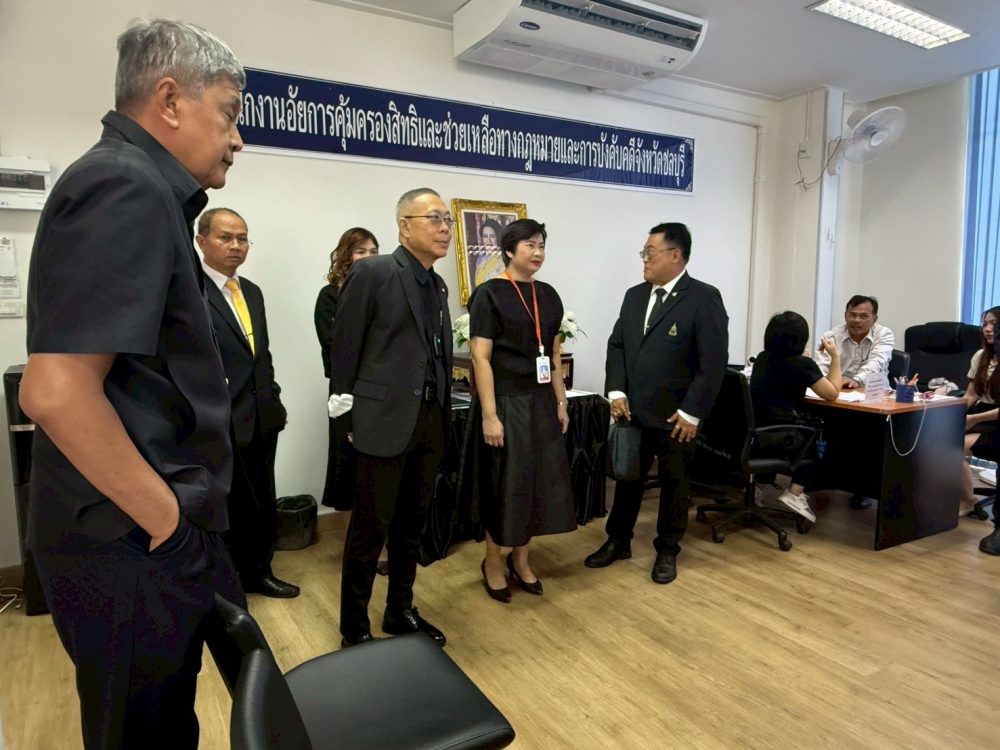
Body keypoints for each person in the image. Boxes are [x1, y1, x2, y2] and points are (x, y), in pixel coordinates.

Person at [19, 19, 245, 749]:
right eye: (229, 115)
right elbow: (54, 390)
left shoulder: (142, 188)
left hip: (141, 530)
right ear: (170, 101)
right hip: (128, 538)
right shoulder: (123, 183)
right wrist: (166, 520)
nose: (237, 139)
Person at [328, 188, 452, 648]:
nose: (444, 228)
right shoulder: (374, 272)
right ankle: (355, 629)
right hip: (381, 420)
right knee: (369, 530)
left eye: (448, 220)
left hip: (428, 421)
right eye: (434, 218)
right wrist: (346, 419)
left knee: (411, 527)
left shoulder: (436, 285)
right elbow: (345, 348)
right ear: (404, 225)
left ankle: (400, 610)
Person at [584, 222, 728, 584]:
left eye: (650, 252)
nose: (644, 259)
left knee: (674, 483)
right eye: (644, 252)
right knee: (628, 478)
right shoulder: (634, 296)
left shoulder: (703, 298)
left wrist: (692, 412)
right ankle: (618, 541)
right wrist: (616, 391)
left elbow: (713, 364)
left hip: (677, 416)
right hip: (633, 410)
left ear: (675, 255)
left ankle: (667, 549)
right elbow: (617, 345)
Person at [466, 219, 576, 603]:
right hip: (506, 403)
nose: (538, 252)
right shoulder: (489, 294)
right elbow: (480, 358)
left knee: (536, 484)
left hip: (541, 403)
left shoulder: (548, 295)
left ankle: (522, 559)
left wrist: (561, 402)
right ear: (510, 250)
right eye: (530, 244)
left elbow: (555, 355)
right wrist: (489, 415)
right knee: (504, 485)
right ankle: (493, 562)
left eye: (541, 245)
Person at [196, 207, 297, 598]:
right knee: (226, 504)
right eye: (225, 237)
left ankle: (259, 571)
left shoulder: (250, 291)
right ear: (202, 241)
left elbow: (260, 354)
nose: (236, 245)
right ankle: (227, 586)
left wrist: (274, 400)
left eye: (242, 238)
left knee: (261, 500)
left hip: (261, 415)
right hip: (218, 420)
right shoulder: (191, 291)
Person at [313, 228, 389, 575]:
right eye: (361, 251)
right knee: (349, 469)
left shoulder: (386, 293)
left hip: (381, 392)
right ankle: (354, 544)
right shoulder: (330, 295)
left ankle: (382, 543)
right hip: (347, 393)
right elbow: (336, 347)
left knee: (379, 471)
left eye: (374, 250)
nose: (369, 257)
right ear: (346, 256)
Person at [749, 311, 842, 521]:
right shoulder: (803, 364)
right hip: (782, 437)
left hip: (756, 434)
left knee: (786, 424)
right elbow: (832, 393)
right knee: (815, 437)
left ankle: (757, 489)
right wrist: (835, 357)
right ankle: (795, 493)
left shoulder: (762, 358)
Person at [961, 307, 999, 512]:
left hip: (994, 419)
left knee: (953, 447)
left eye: (993, 324)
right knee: (937, 441)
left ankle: (967, 500)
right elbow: (971, 395)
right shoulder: (981, 356)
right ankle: (968, 498)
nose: (987, 329)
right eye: (984, 324)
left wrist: (974, 419)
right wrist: (953, 414)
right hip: (981, 412)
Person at [815, 295, 894, 389]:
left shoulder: (884, 334)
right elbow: (821, 367)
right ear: (845, 316)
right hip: (840, 390)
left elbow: (877, 363)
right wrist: (827, 383)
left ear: (874, 319)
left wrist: (856, 380)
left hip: (874, 393)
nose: (857, 320)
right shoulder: (830, 337)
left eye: (863, 316)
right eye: (852, 315)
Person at [473, 217, 506, 286]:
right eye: (485, 236)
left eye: (492, 236)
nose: (488, 240)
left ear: (498, 237)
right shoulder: (480, 260)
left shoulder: (504, 259)